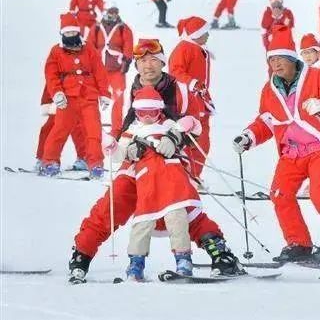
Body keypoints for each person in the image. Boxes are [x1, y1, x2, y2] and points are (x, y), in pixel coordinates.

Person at [68, 38, 244, 284]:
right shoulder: (129, 93)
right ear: (136, 65)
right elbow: (120, 132)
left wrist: (179, 147)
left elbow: (198, 129)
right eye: (142, 61)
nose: (148, 66)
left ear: (162, 63)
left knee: (185, 210)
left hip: (170, 163)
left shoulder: (180, 89)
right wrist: (124, 150)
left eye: (153, 60)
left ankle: (221, 254)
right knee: (111, 206)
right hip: (135, 165)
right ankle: (81, 255)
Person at [232, 26, 320, 263]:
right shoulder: (270, 89)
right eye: (271, 60)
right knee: (280, 193)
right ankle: (299, 244)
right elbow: (266, 120)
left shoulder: (317, 76)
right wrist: (248, 137)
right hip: (292, 153)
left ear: (293, 59)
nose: (276, 65)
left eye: (280, 59)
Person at [106, 86, 202, 280]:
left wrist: (174, 136)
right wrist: (115, 147)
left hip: (172, 179)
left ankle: (183, 260)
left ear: (160, 110)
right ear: (136, 112)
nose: (148, 117)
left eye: (153, 112)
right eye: (142, 112)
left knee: (177, 218)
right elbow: (119, 156)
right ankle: (136, 264)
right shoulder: (132, 131)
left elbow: (194, 126)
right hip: (147, 181)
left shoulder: (168, 124)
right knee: (143, 222)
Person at [41, 13, 110, 179]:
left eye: (73, 33)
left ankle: (95, 164)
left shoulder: (89, 49)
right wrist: (57, 93)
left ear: (78, 32)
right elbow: (51, 75)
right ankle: (50, 161)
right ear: (62, 34)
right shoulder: (56, 51)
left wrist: (104, 93)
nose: (71, 36)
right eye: (67, 33)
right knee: (60, 130)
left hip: (89, 97)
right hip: (67, 99)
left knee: (93, 132)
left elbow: (99, 71)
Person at [169, 16, 215, 177]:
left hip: (200, 100)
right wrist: (192, 83)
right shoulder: (184, 48)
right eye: (205, 32)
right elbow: (174, 71)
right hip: (188, 101)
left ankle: (194, 175)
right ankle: (187, 175)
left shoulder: (197, 48)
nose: (208, 36)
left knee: (203, 141)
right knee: (193, 140)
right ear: (196, 34)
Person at [87, 5, 134, 136]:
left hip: (117, 70)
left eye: (115, 13)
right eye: (110, 13)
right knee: (93, 97)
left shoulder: (124, 28)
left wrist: (126, 61)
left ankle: (116, 128)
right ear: (106, 13)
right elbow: (89, 45)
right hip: (99, 69)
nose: (112, 15)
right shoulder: (96, 28)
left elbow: (128, 45)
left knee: (118, 98)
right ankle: (92, 125)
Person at [34, 84, 88, 172]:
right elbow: (50, 83)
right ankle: (44, 159)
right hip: (60, 100)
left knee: (77, 127)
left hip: (77, 98)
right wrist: (47, 102)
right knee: (50, 127)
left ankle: (84, 158)